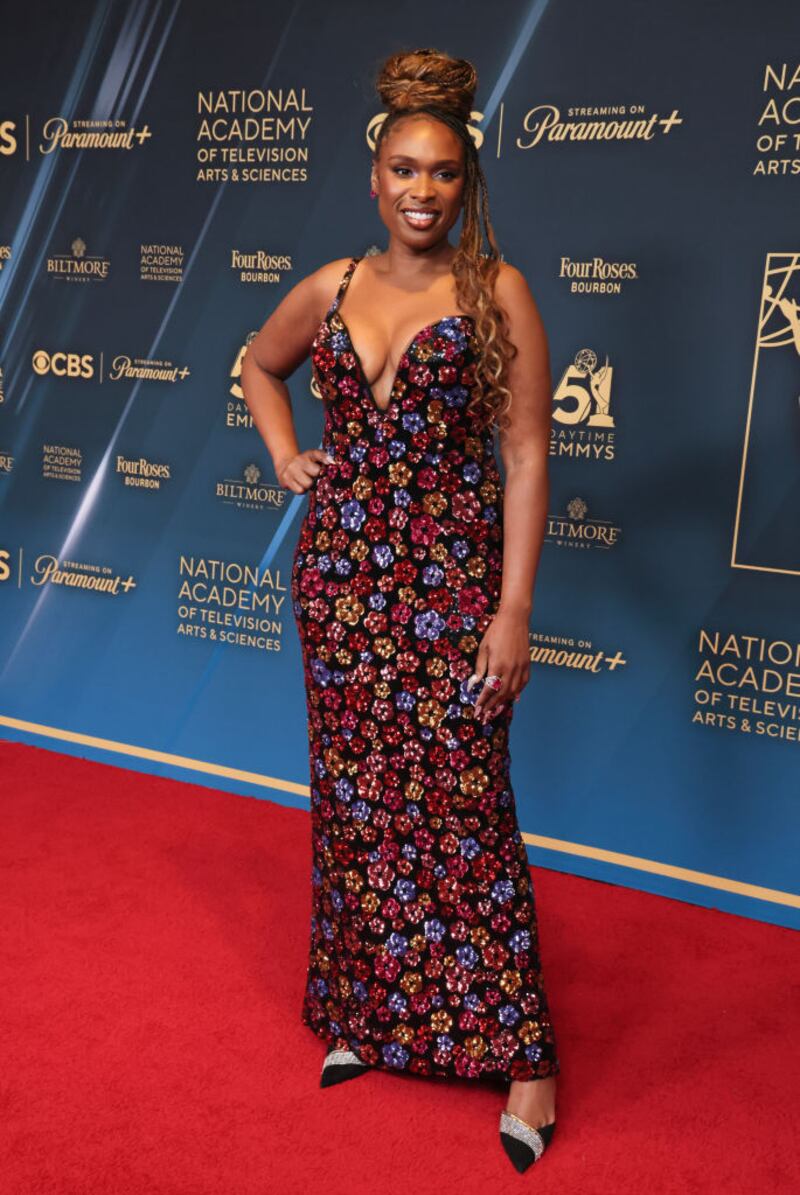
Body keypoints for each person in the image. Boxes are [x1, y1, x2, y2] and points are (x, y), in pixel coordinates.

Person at [240, 47, 559, 1173]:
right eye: (400, 169)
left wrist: (512, 607)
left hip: (447, 590)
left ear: (464, 183)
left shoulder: (494, 292)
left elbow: (523, 454)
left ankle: (524, 1057)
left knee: (463, 817)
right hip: (338, 587)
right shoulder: (329, 287)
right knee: (360, 809)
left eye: (440, 173)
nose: (420, 190)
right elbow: (256, 362)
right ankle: (372, 1015)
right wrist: (286, 456)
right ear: (370, 176)